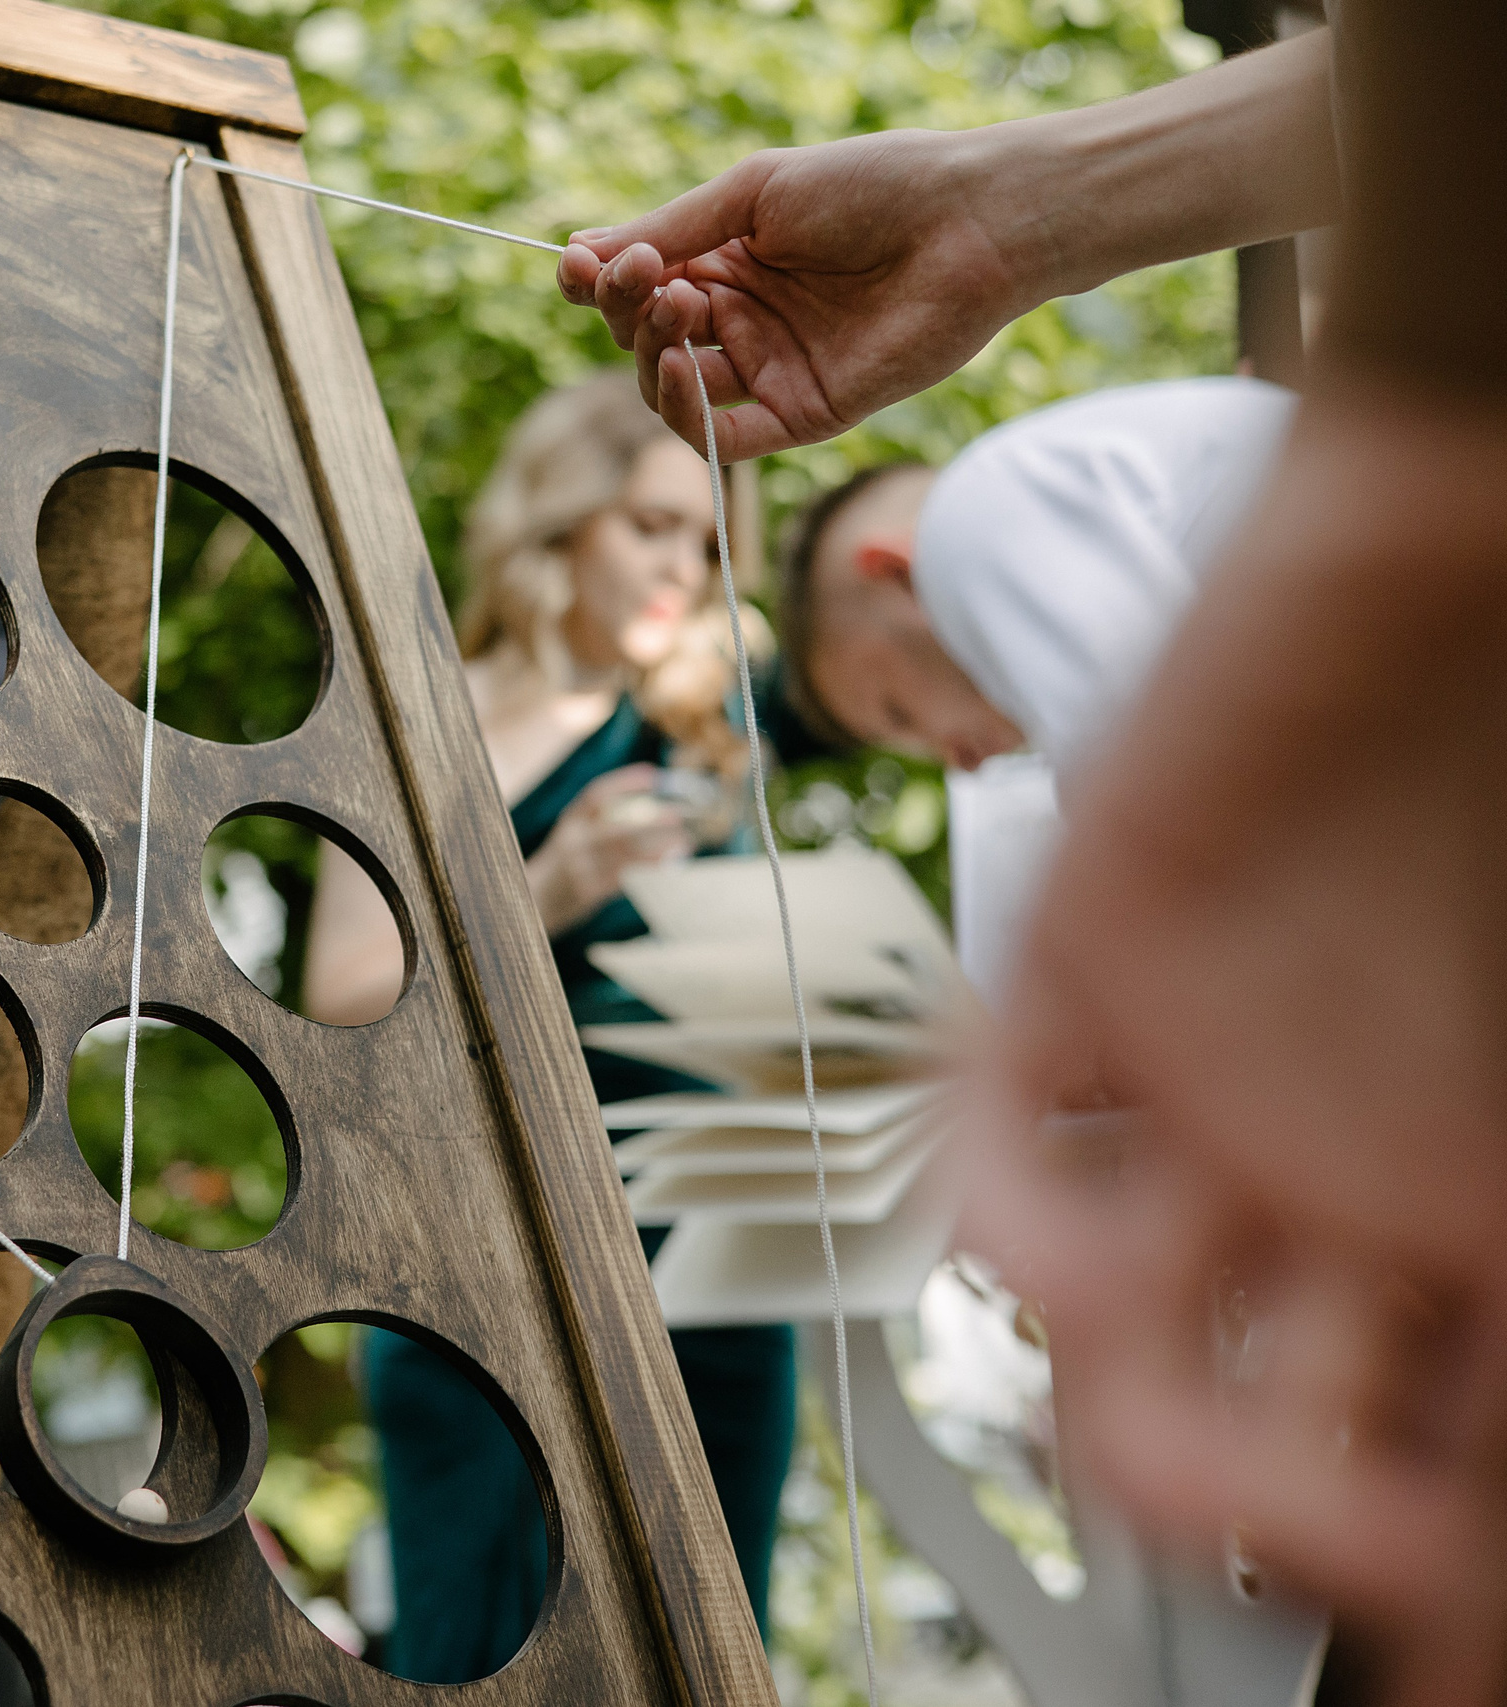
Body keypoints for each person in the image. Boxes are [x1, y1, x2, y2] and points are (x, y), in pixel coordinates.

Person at [555, 8, 1505, 1700]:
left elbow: (1221, 843)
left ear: (905, 566)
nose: (963, 747)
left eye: (906, 705)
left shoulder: (993, 505)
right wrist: (1004, 211)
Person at [305, 367, 796, 1679]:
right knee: (500, 1653)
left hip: (717, 1272)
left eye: (705, 541)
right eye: (650, 523)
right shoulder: (422, 719)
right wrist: (549, 887)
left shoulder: (711, 743)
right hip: (493, 1266)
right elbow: (340, 999)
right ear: (559, 519)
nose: (682, 568)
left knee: (702, 1654)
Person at [775, 375, 1295, 780]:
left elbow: (1162, 778)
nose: (958, 759)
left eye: (901, 714)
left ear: (899, 575)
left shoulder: (967, 518)